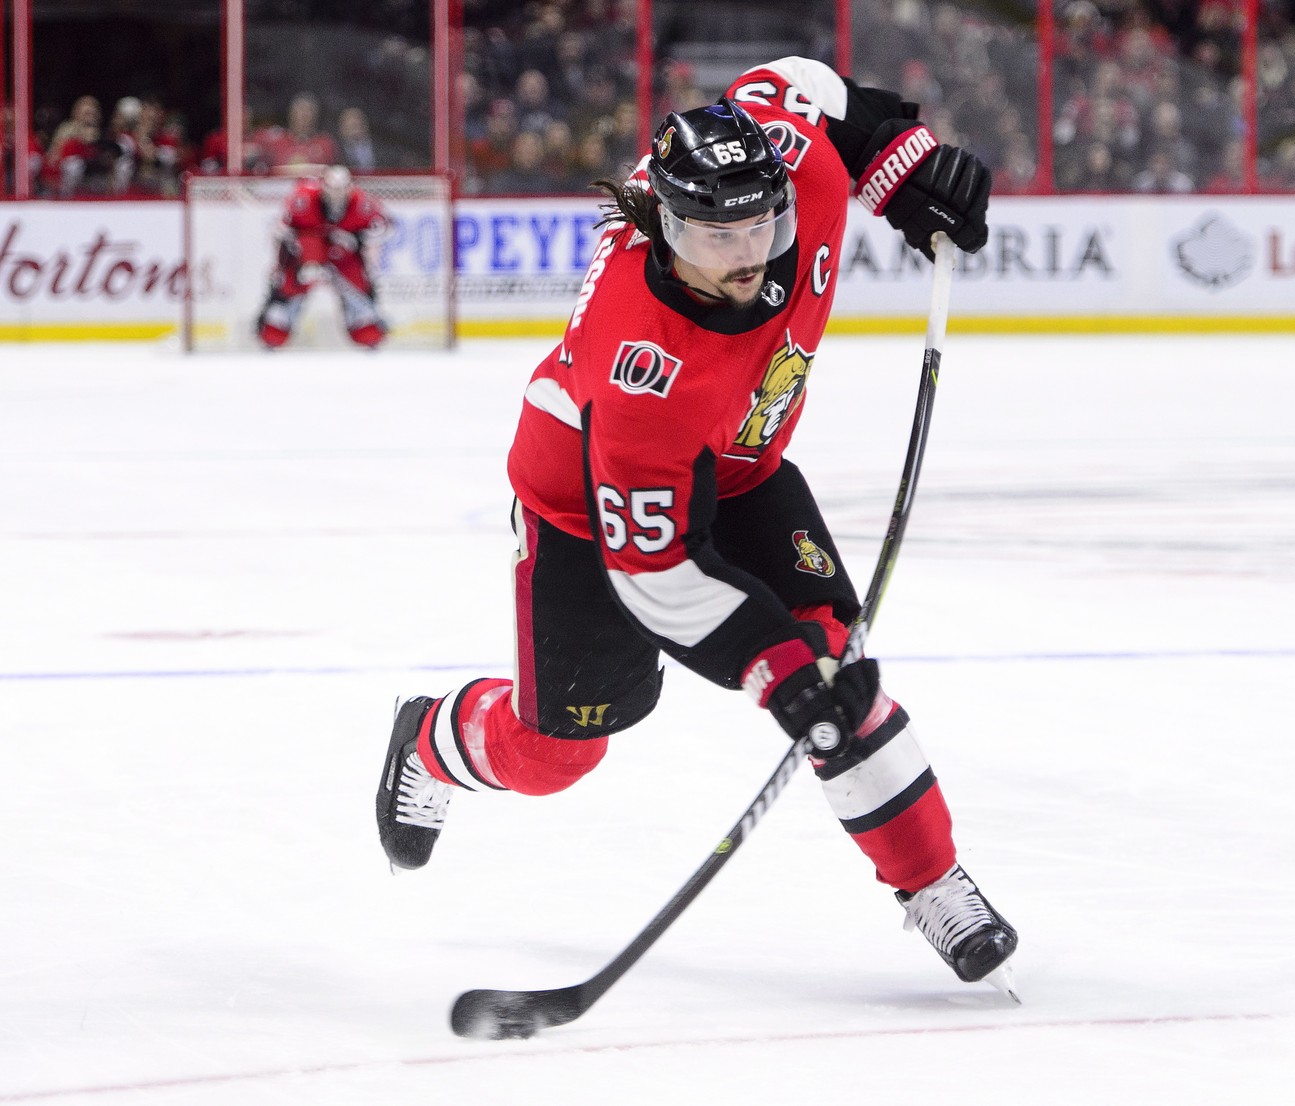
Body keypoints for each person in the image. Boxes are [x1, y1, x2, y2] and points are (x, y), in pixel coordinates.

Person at [374, 56, 1020, 997]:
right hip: (586, 512)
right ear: (668, 229)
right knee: (560, 753)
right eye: (718, 239)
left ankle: (931, 883)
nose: (749, 254)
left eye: (763, 222)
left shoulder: (794, 164)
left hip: (745, 470)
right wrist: (775, 673)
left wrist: (900, 159)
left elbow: (796, 79)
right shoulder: (638, 370)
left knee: (837, 673)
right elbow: (660, 574)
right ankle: (433, 740)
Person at [256, 166, 391, 349]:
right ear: (323, 186)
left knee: (367, 327)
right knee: (276, 325)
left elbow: (383, 231)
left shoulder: (363, 203)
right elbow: (280, 229)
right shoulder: (302, 198)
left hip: (343, 255)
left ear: (350, 187)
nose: (337, 194)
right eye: (332, 188)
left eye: (341, 188)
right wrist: (281, 262)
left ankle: (366, 325)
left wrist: (360, 243)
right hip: (306, 255)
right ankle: (275, 325)